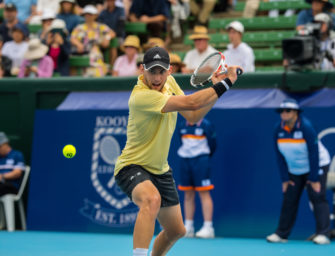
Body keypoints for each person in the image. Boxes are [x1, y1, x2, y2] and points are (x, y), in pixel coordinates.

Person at [113, 46, 242, 256]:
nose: (156, 77)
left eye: (161, 71)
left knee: (176, 231)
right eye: (151, 71)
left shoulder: (170, 83)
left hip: (160, 170)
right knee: (150, 200)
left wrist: (217, 89)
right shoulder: (141, 97)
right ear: (141, 70)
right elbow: (192, 102)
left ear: (169, 70)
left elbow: (193, 115)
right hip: (131, 166)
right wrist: (227, 83)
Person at [266, 98, 331, 245]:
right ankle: (281, 234)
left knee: (318, 197)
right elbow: (279, 156)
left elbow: (314, 154)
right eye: (281, 111)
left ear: (295, 113)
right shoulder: (278, 129)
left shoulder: (306, 127)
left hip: (317, 165)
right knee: (289, 200)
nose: (284, 113)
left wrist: (314, 178)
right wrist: (284, 179)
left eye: (287, 110)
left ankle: (323, 234)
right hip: (295, 170)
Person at [177, 117, 216, 238]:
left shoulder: (206, 125)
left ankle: (208, 227)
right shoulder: (182, 125)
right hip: (185, 161)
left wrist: (203, 157)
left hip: (201, 161)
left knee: (204, 193)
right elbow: (181, 141)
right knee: (188, 194)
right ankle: (188, 227)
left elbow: (213, 144)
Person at [70, 5, 115, 77]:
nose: (88, 16)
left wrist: (107, 37)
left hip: (95, 52)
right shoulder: (79, 27)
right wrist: (78, 44)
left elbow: (112, 33)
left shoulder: (100, 26)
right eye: (86, 14)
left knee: (97, 65)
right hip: (81, 52)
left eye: (90, 14)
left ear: (95, 16)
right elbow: (72, 38)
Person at [0, 132, 25, 197]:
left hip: (10, 186)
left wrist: (2, 176)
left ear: (5, 143)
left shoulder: (17, 155)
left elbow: (17, 173)